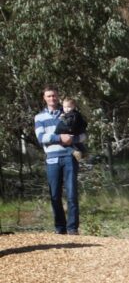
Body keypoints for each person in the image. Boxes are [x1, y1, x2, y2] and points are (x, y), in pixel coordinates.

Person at [34, 85, 80, 236]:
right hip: (52, 159)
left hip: (69, 157)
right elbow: (41, 138)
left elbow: (83, 134)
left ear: (58, 96)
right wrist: (60, 138)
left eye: (54, 95)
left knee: (72, 194)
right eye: (49, 96)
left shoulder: (68, 113)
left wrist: (73, 139)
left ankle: (73, 229)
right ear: (44, 98)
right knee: (55, 195)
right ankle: (60, 228)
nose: (52, 98)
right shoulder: (39, 117)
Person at [54, 96, 88, 162]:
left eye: (68, 107)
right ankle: (84, 151)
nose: (66, 109)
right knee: (76, 143)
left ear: (73, 106)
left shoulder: (71, 115)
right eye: (64, 107)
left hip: (69, 132)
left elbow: (68, 123)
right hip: (74, 132)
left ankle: (74, 151)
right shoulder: (75, 113)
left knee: (62, 142)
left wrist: (62, 118)